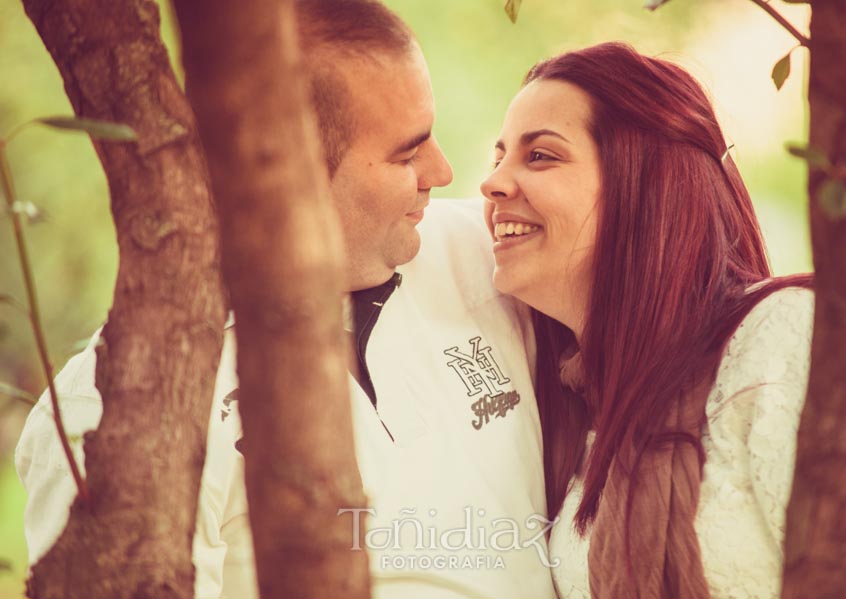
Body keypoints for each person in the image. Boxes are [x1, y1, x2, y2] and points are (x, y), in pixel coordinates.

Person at [16, 2, 557, 598]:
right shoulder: (114, 415)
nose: (445, 171)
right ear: (286, 172)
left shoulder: (494, 255)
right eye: (408, 154)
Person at [480, 41, 814, 599]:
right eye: (499, 157)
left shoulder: (780, 337)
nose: (492, 183)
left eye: (540, 155)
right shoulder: (585, 421)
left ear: (644, 183)